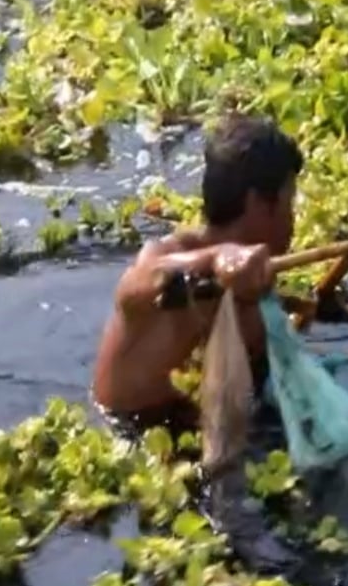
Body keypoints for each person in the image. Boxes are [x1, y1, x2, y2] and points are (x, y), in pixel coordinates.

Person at [91, 113, 304, 438]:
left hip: (215, 431)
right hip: (136, 437)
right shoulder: (162, 258)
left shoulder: (254, 287)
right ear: (259, 204)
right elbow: (141, 283)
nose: (293, 222)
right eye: (289, 205)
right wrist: (219, 258)